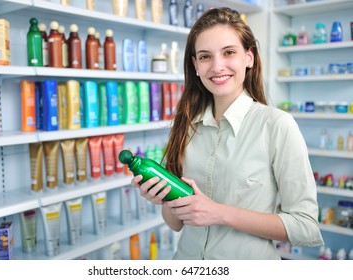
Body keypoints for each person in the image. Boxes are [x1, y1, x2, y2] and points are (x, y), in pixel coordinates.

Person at [131, 7, 324, 259]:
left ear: (249, 57)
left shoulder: (277, 126)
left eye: (229, 52)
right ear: (195, 65)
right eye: (205, 56)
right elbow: (176, 223)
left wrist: (218, 213)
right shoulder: (186, 125)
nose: (217, 66)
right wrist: (164, 197)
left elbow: (305, 226)